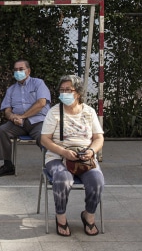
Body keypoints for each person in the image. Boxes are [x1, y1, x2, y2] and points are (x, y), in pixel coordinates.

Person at [40, 75, 105, 237]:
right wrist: (63, 152)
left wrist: (91, 151)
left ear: (78, 93)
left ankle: (88, 215)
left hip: (84, 157)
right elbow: (44, 139)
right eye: (61, 90)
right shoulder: (54, 112)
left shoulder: (89, 112)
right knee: (63, 179)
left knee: (97, 180)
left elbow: (99, 138)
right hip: (57, 156)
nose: (64, 93)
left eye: (68, 90)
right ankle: (60, 217)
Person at [0, 59, 51, 177]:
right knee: (2, 130)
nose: (18, 72)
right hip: (18, 124)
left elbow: (41, 103)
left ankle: (51, 165)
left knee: (43, 137)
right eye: (16, 70)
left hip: (37, 121)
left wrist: (22, 116)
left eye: (21, 69)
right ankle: (8, 165)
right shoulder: (11, 89)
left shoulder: (38, 83)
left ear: (28, 71)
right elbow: (7, 109)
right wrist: (12, 117)